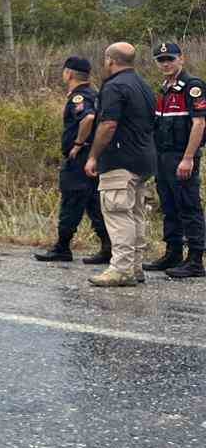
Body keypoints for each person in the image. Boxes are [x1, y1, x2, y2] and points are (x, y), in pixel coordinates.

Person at [84, 43, 157, 287]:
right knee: (135, 213)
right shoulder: (143, 85)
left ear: (110, 61)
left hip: (119, 159)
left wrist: (93, 155)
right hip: (143, 157)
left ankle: (121, 269)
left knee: (118, 214)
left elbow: (108, 125)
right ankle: (135, 266)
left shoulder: (114, 86)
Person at [33, 56, 110, 265]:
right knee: (93, 203)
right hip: (92, 157)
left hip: (80, 157)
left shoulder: (80, 97)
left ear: (69, 73)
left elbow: (88, 118)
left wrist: (77, 143)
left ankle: (62, 247)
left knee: (71, 200)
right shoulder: (94, 93)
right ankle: (107, 246)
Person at [145, 41, 206, 279]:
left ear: (182, 59)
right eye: (161, 60)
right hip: (163, 157)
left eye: (170, 58)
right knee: (169, 206)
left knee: (188, 206)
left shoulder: (192, 87)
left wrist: (188, 158)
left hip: (182, 157)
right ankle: (173, 252)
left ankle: (195, 260)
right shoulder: (165, 88)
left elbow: (199, 124)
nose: (166, 64)